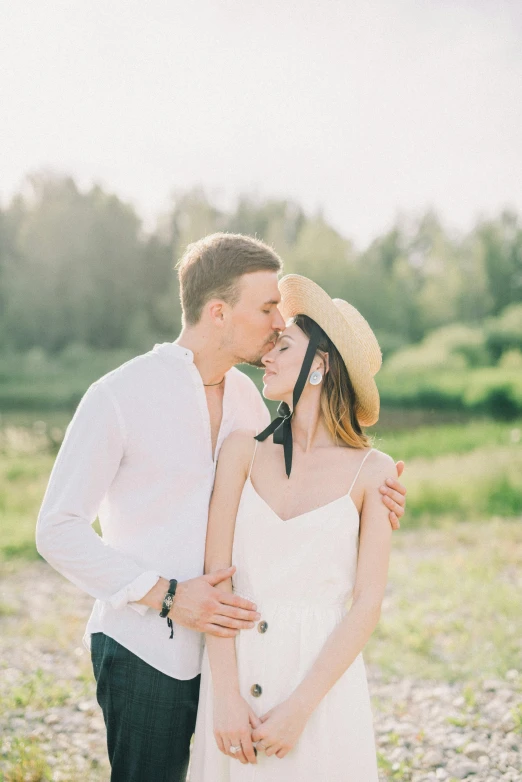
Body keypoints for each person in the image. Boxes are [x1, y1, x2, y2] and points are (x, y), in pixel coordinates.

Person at [36, 235, 407, 782]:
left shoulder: (245, 399)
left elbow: (307, 473)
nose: (277, 322)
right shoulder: (119, 395)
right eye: (265, 308)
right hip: (147, 649)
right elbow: (56, 530)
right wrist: (165, 596)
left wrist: (380, 491)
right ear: (218, 312)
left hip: (235, 655)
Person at [190, 274, 397, 781]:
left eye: (284, 346)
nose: (268, 356)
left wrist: (300, 709)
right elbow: (217, 576)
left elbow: (367, 604)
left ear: (319, 366)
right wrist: (225, 699)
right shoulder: (241, 450)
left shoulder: (374, 473)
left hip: (319, 690)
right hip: (237, 674)